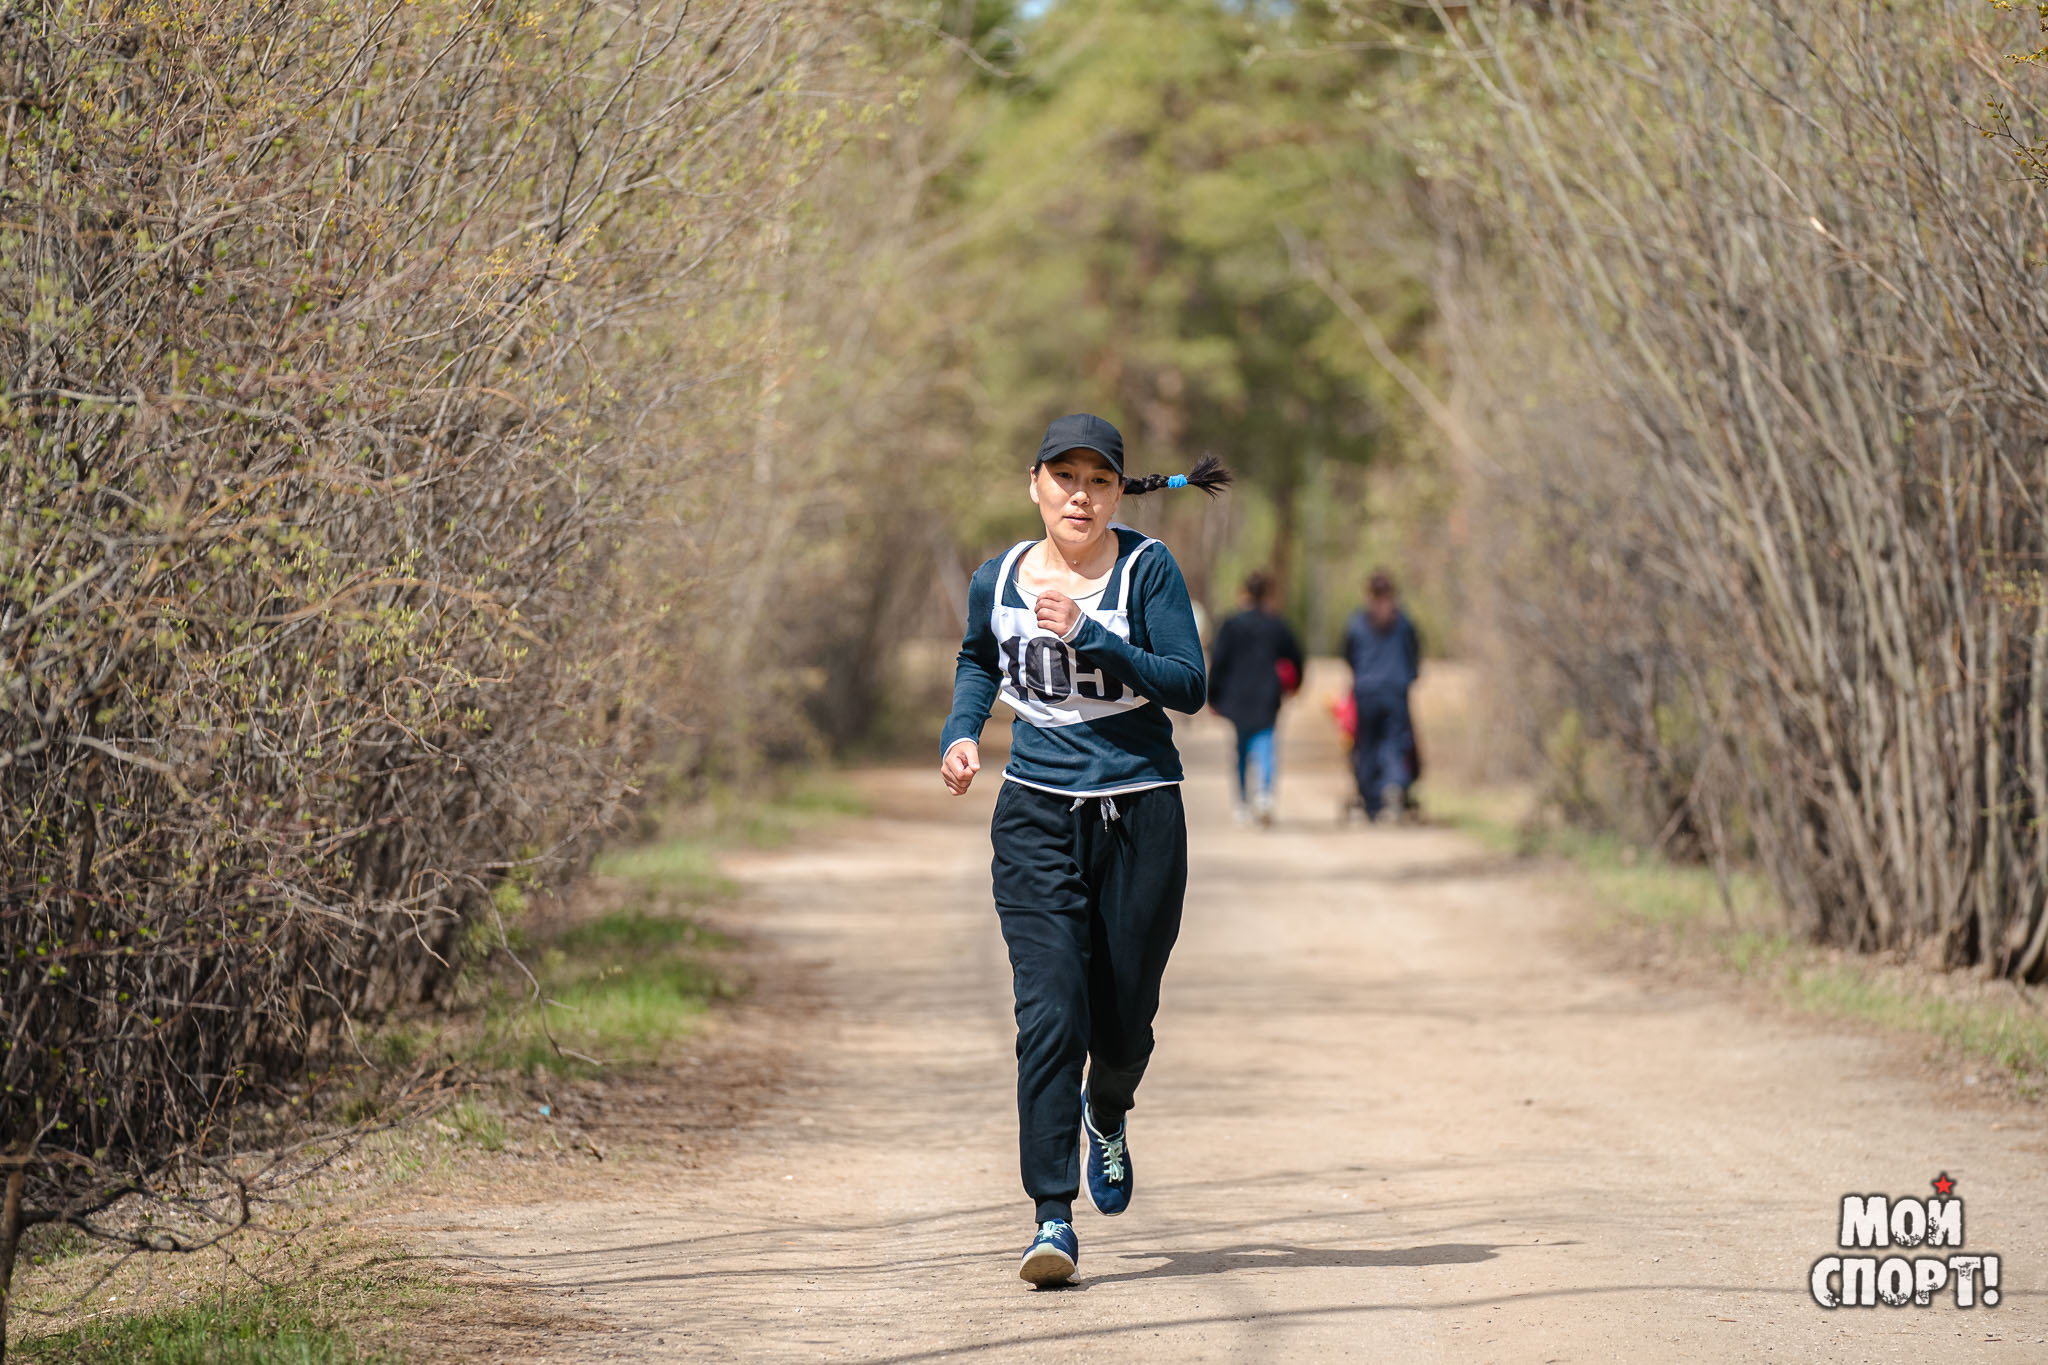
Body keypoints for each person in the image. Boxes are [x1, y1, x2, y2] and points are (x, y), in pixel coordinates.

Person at [940, 413, 1229, 1287]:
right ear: (1034, 483)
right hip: (1034, 813)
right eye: (1064, 477)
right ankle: (1052, 1216)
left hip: (1140, 811)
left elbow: (1190, 685)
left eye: (1098, 480)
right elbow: (978, 659)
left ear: (1117, 493)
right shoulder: (998, 577)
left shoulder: (1146, 569)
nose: (1081, 495)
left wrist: (1091, 634)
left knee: (1124, 1020)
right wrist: (962, 731)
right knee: (1051, 1013)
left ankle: (1109, 1107)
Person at [1206, 570, 1304, 827]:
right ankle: (1264, 796)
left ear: (1245, 593)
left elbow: (1219, 662)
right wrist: (1295, 686)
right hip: (1267, 696)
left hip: (1236, 697)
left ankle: (1241, 804)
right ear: (1268, 593)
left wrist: (1212, 696)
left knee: (1241, 750)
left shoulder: (1231, 624)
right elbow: (1296, 657)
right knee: (1266, 745)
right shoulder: (1277, 625)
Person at [1342, 568, 1421, 823]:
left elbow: (1349, 654)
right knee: (1395, 743)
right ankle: (1393, 787)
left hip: (1366, 691)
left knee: (1366, 745)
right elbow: (1414, 654)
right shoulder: (1403, 622)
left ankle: (1371, 799)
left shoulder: (1358, 622)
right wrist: (1409, 676)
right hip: (1395, 690)